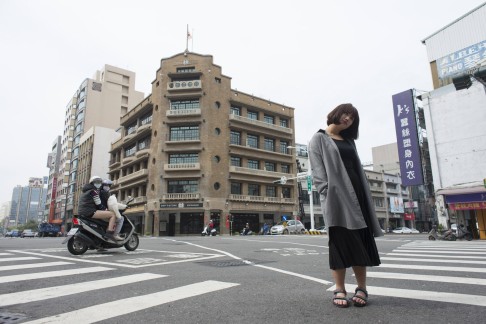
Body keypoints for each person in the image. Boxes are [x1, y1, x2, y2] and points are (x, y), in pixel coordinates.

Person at [308, 103, 383, 308]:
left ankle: (362, 288)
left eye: (352, 117)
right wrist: (327, 192)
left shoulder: (349, 140)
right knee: (340, 241)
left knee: (360, 240)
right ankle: (339, 288)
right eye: (346, 114)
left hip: (358, 196)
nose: (348, 118)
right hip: (337, 198)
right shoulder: (319, 138)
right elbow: (317, 172)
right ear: (336, 113)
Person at [77, 176, 123, 241]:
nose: (98, 183)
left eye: (99, 182)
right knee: (113, 214)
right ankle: (109, 233)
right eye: (96, 182)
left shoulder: (85, 191)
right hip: (90, 211)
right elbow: (99, 205)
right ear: (92, 183)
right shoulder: (94, 192)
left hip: (82, 212)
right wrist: (106, 210)